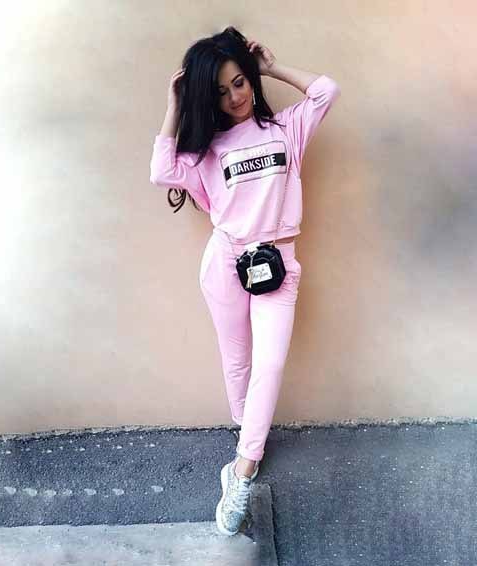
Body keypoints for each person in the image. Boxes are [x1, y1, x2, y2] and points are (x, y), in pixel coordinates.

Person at [149, 26, 341, 536]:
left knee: (269, 363)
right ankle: (248, 435)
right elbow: (161, 170)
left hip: (278, 263)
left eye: (240, 82)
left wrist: (272, 68)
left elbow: (326, 91)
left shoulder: (285, 130)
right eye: (221, 91)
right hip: (226, 262)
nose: (235, 97)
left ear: (251, 79)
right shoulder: (208, 150)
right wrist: (175, 103)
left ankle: (242, 471)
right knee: (237, 363)